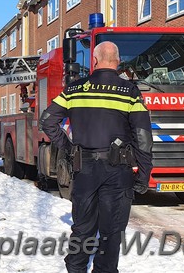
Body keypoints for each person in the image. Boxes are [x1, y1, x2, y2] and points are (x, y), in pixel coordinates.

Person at [40, 41, 153, 273]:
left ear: (94, 61)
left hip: (85, 169)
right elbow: (143, 136)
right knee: (111, 233)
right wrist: (144, 174)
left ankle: (76, 269)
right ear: (118, 61)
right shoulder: (130, 91)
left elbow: (47, 120)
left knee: (82, 229)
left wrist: (69, 148)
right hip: (118, 170)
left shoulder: (74, 89)